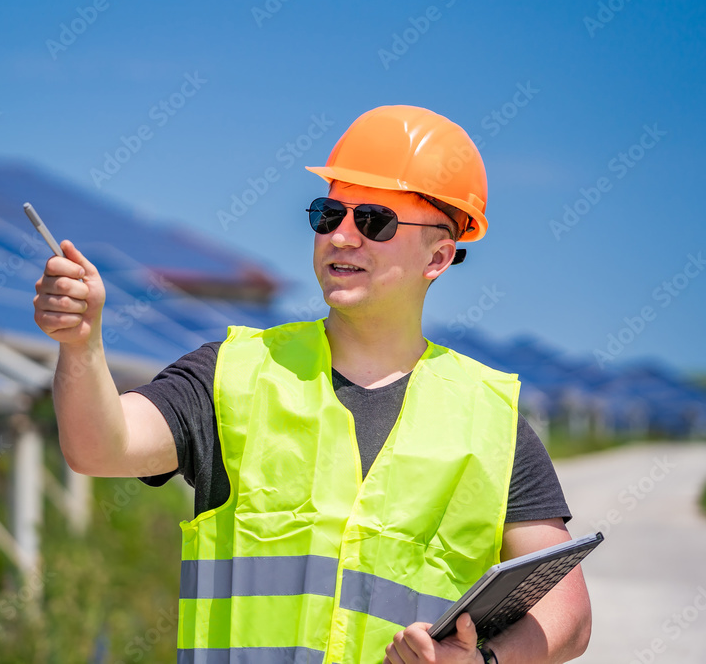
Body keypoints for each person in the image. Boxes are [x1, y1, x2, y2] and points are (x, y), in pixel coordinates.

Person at [33, 105, 592, 663]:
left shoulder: (491, 419)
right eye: (329, 214)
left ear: (439, 256)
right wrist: (81, 346)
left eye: (374, 220)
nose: (343, 236)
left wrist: (485, 663)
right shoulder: (232, 372)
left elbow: (569, 615)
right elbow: (97, 446)